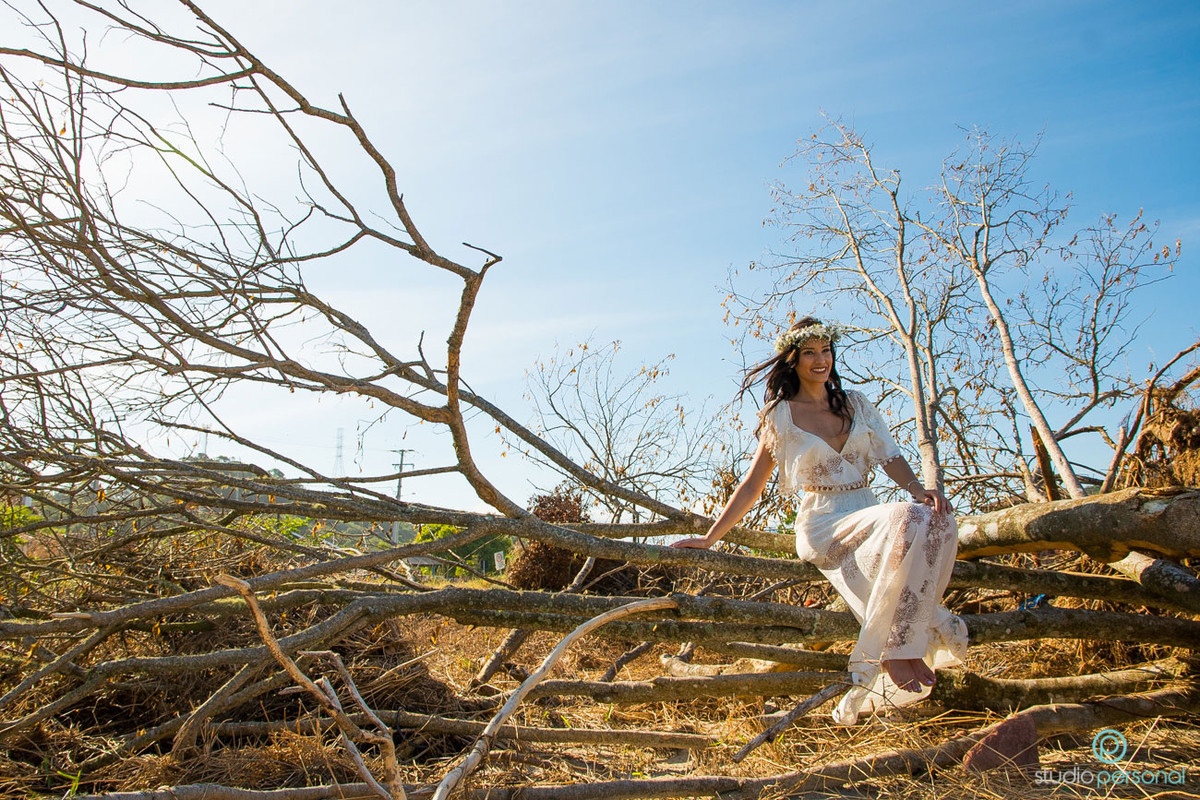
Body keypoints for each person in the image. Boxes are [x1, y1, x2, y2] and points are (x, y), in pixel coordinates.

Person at [672, 317, 967, 725]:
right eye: (809, 352)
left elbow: (890, 455)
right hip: (822, 520)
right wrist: (709, 537)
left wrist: (920, 488)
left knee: (935, 519)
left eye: (825, 350)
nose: (820, 360)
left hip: (866, 507)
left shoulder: (856, 404)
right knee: (904, 517)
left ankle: (903, 643)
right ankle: (896, 651)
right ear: (792, 359)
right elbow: (753, 484)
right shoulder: (780, 414)